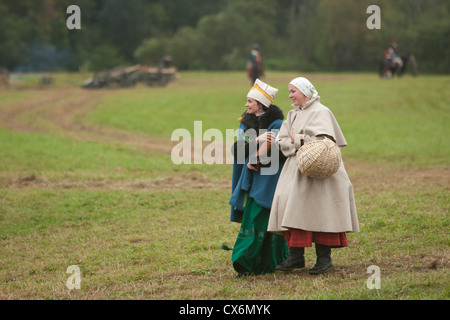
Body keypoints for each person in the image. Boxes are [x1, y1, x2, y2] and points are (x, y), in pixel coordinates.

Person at [268, 77, 359, 275]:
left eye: (293, 91)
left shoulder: (321, 112)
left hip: (320, 171)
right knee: (289, 205)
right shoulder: (292, 115)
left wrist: (298, 139)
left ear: (305, 92)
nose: (290, 95)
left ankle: (324, 259)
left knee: (320, 210)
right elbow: (281, 141)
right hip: (295, 169)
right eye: (289, 92)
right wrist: (296, 142)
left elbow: (325, 142)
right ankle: (295, 256)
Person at [229, 79, 288, 277]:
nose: (246, 105)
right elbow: (236, 150)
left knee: (265, 218)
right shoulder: (245, 123)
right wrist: (257, 141)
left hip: (269, 180)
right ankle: (245, 263)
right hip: (249, 178)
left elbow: (281, 154)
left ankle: (269, 262)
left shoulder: (278, 124)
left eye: (249, 101)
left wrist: (258, 158)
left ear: (261, 104)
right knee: (253, 218)